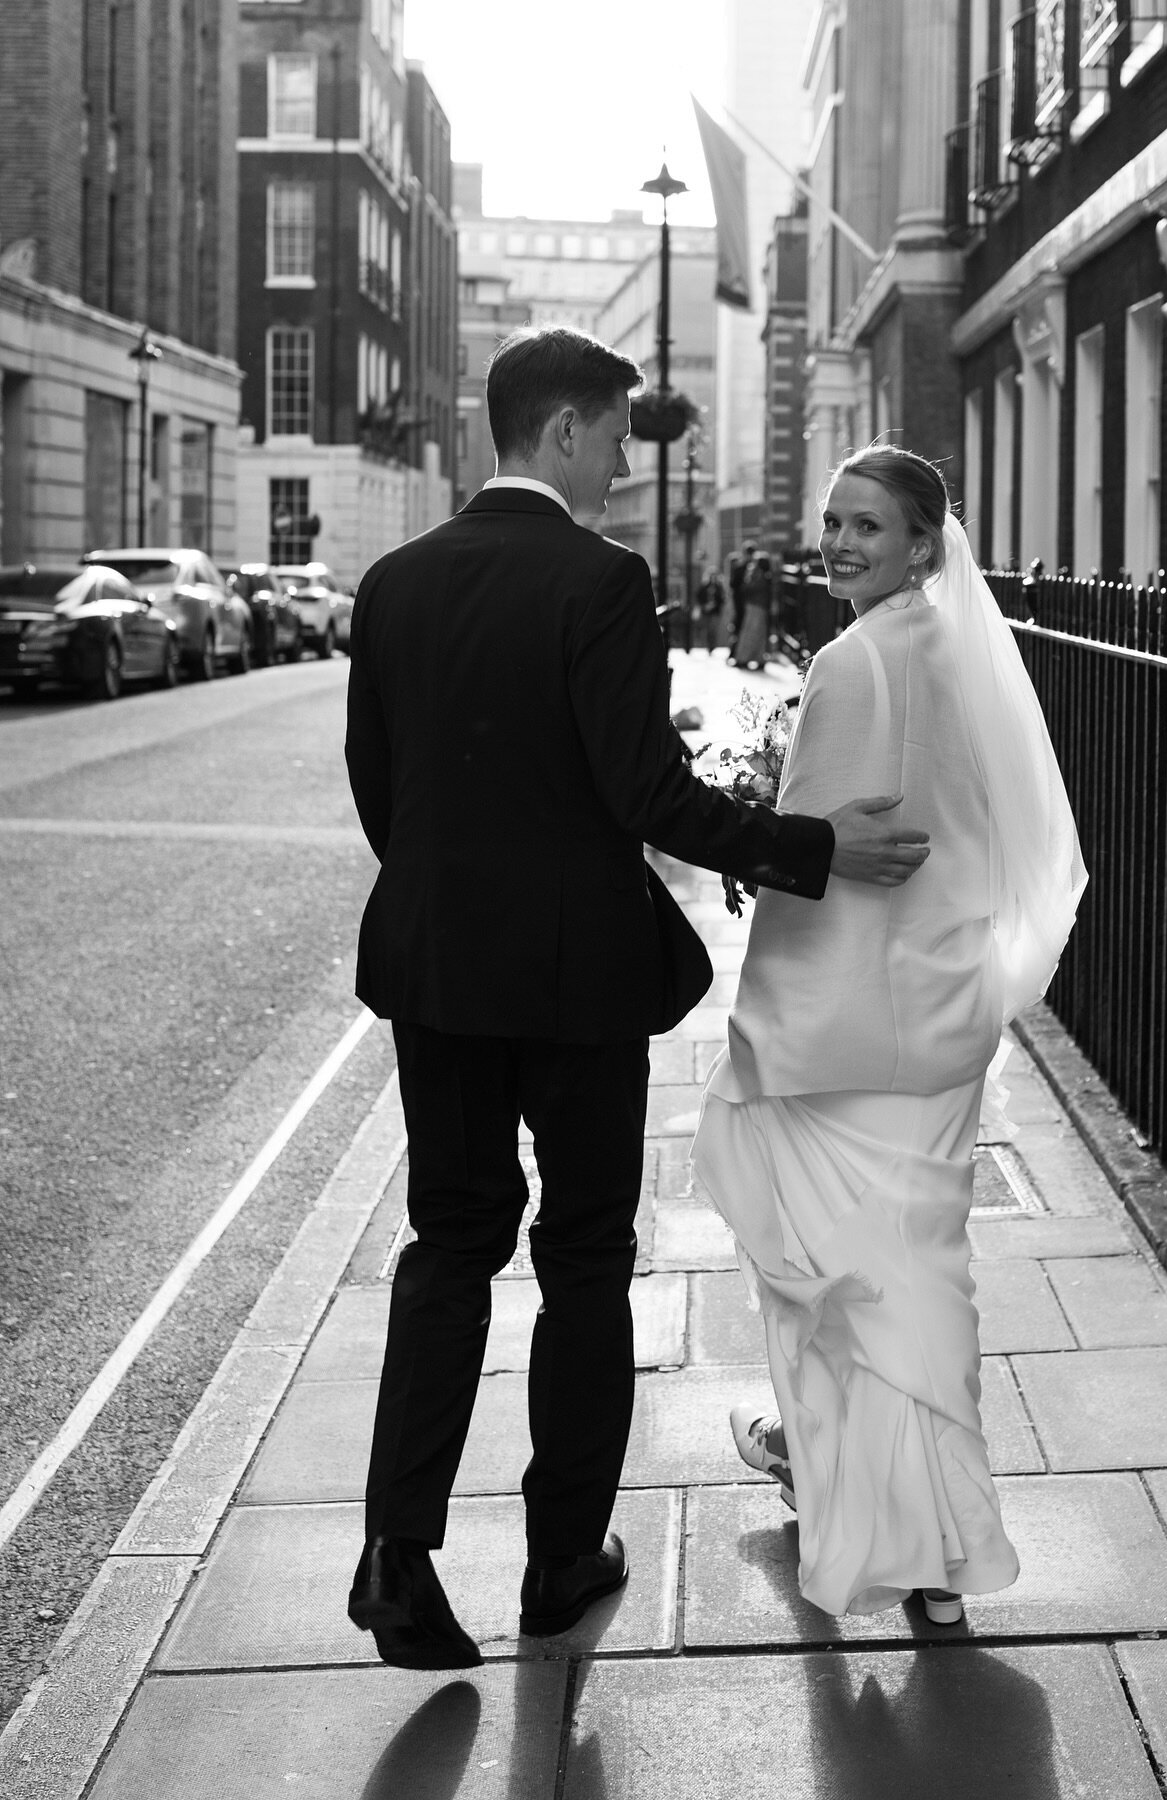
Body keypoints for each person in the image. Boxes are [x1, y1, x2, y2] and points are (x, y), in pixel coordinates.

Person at [342, 329, 935, 1670]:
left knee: (449, 1243)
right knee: (585, 1255)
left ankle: (397, 1552)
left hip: (436, 969)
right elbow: (643, 796)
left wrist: (457, 895)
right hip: (575, 982)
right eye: (616, 436)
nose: (626, 461)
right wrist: (816, 850)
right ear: (563, 433)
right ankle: (561, 1563)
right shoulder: (601, 582)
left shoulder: (395, 581)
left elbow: (382, 788)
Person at [691, 444, 1086, 1623]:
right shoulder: (974, 658)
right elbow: (986, 837)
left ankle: (854, 1497)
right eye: (832, 522)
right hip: (948, 1015)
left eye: (868, 526)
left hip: (848, 1025)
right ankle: (943, 1553)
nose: (841, 543)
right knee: (922, 1274)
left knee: (829, 1277)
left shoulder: (852, 664)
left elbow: (821, 860)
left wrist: (763, 1014)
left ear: (924, 543)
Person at [731, 541, 772, 671]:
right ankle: (757, 658)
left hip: (754, 605)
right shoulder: (762, 574)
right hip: (758, 605)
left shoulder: (757, 573)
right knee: (757, 632)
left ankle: (745, 658)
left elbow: (746, 588)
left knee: (750, 632)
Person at [696, 564, 729, 653]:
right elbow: (699, 597)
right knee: (706, 630)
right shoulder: (704, 586)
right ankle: (707, 646)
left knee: (713, 629)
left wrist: (715, 604)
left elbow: (722, 599)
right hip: (706, 611)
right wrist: (705, 605)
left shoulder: (719, 587)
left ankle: (712, 646)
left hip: (715, 611)